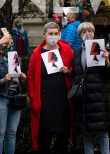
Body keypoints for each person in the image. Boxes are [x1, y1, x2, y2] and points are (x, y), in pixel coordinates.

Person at [27, 22, 73, 154]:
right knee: (44, 139)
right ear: (44, 35)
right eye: (50, 34)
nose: (53, 36)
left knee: (62, 139)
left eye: (56, 34)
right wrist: (32, 97)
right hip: (44, 102)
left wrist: (68, 70)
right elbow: (30, 77)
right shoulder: (36, 53)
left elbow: (75, 70)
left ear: (59, 34)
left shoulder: (67, 50)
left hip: (63, 101)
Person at [72, 22, 110, 154]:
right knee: (87, 132)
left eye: (90, 31)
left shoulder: (101, 49)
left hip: (98, 97)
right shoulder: (76, 53)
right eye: (84, 32)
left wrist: (107, 61)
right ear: (80, 35)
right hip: (84, 98)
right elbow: (76, 75)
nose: (87, 34)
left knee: (103, 132)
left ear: (94, 33)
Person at [0, 41, 27, 154]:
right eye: (6, 41)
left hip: (15, 98)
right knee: (0, 133)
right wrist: (2, 81)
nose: (8, 43)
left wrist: (23, 78)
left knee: (12, 133)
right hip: (1, 98)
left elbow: (18, 81)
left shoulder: (16, 58)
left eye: (10, 41)